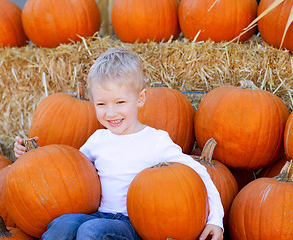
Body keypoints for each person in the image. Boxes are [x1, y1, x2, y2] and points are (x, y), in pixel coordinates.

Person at [14, 47, 224, 240]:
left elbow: (199, 173)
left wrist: (216, 220)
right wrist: (28, 157)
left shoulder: (156, 140)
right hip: (98, 215)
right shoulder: (97, 140)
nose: (111, 113)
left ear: (140, 98)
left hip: (134, 225)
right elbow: (64, 172)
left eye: (120, 102)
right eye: (101, 104)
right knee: (61, 225)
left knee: (91, 231)